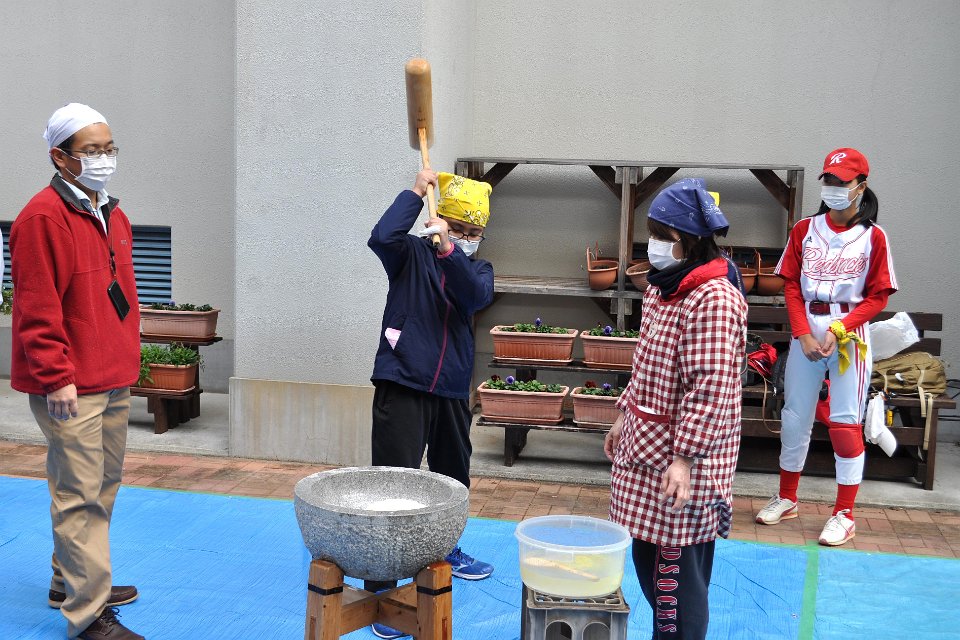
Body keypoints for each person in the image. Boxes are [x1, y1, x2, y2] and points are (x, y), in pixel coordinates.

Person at [9, 103, 143, 640]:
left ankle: (68, 580)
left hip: (111, 376)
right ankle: (88, 614)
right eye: (91, 150)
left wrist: (128, 363)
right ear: (59, 157)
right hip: (71, 383)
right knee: (78, 493)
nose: (104, 158)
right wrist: (55, 375)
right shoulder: (42, 218)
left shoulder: (111, 212)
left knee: (103, 484)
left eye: (109, 148)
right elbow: (36, 306)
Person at [604, 178, 747, 640]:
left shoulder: (713, 298)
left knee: (675, 583)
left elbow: (711, 387)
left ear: (687, 240)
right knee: (649, 563)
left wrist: (684, 459)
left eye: (660, 235)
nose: (654, 244)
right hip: (648, 449)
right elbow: (645, 363)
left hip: (684, 464)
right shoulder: (662, 289)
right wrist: (624, 414)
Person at [366, 169, 495, 639]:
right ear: (439, 218)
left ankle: (445, 550)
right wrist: (415, 193)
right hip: (403, 378)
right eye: (458, 227)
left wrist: (449, 251)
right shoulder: (409, 254)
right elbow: (381, 237)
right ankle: (384, 585)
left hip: (452, 387)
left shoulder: (478, 268)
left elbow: (474, 297)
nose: (466, 238)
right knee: (393, 481)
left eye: (473, 232)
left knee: (452, 478)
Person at [755, 148, 897, 546]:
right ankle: (787, 497)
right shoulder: (805, 229)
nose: (834, 187)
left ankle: (844, 513)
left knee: (845, 422)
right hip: (808, 329)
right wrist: (802, 333)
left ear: (860, 186)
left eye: (842, 181)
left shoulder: (873, 236)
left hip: (850, 333)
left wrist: (840, 328)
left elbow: (878, 296)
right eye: (829, 180)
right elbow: (790, 284)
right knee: (794, 416)